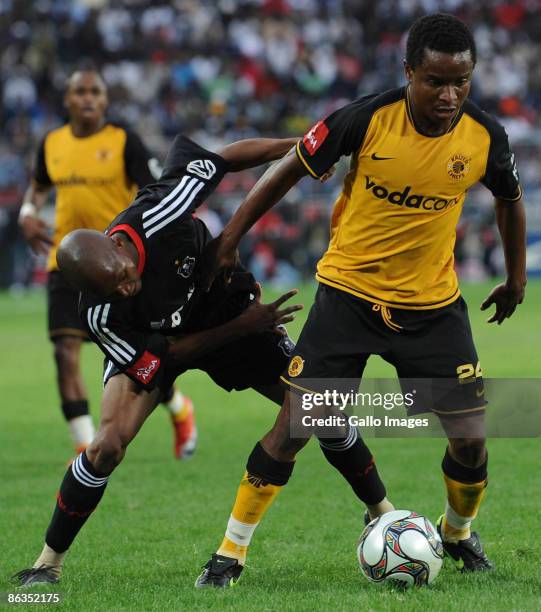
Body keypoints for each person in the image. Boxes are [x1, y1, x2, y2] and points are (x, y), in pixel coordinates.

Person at [196, 12, 526, 586]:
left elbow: (509, 199)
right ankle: (229, 554)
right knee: (295, 425)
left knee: (471, 439)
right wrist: (230, 239)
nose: (449, 94)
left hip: (433, 308)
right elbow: (288, 168)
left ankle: (457, 536)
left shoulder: (485, 135)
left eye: (461, 82)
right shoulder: (364, 119)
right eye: (435, 81)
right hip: (347, 298)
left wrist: (516, 277)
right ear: (408, 73)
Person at [12, 133, 394, 588]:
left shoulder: (163, 210)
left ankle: (382, 515)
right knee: (106, 445)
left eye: (125, 278)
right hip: (167, 340)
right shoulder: (99, 313)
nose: (126, 289)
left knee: (317, 409)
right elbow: (165, 357)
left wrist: (298, 148)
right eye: (112, 291)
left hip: (217, 301)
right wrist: (246, 326)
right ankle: (47, 564)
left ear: (117, 247)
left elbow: (223, 157)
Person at [18, 68, 196, 459]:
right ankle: (85, 447)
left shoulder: (123, 141)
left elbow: (159, 185)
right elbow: (38, 187)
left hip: (120, 267)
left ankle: (179, 407)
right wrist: (28, 211)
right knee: (65, 352)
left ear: (105, 100)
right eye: (79, 91)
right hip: (65, 266)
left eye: (95, 92)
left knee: (130, 355)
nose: (87, 98)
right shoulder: (52, 143)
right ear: (67, 99)